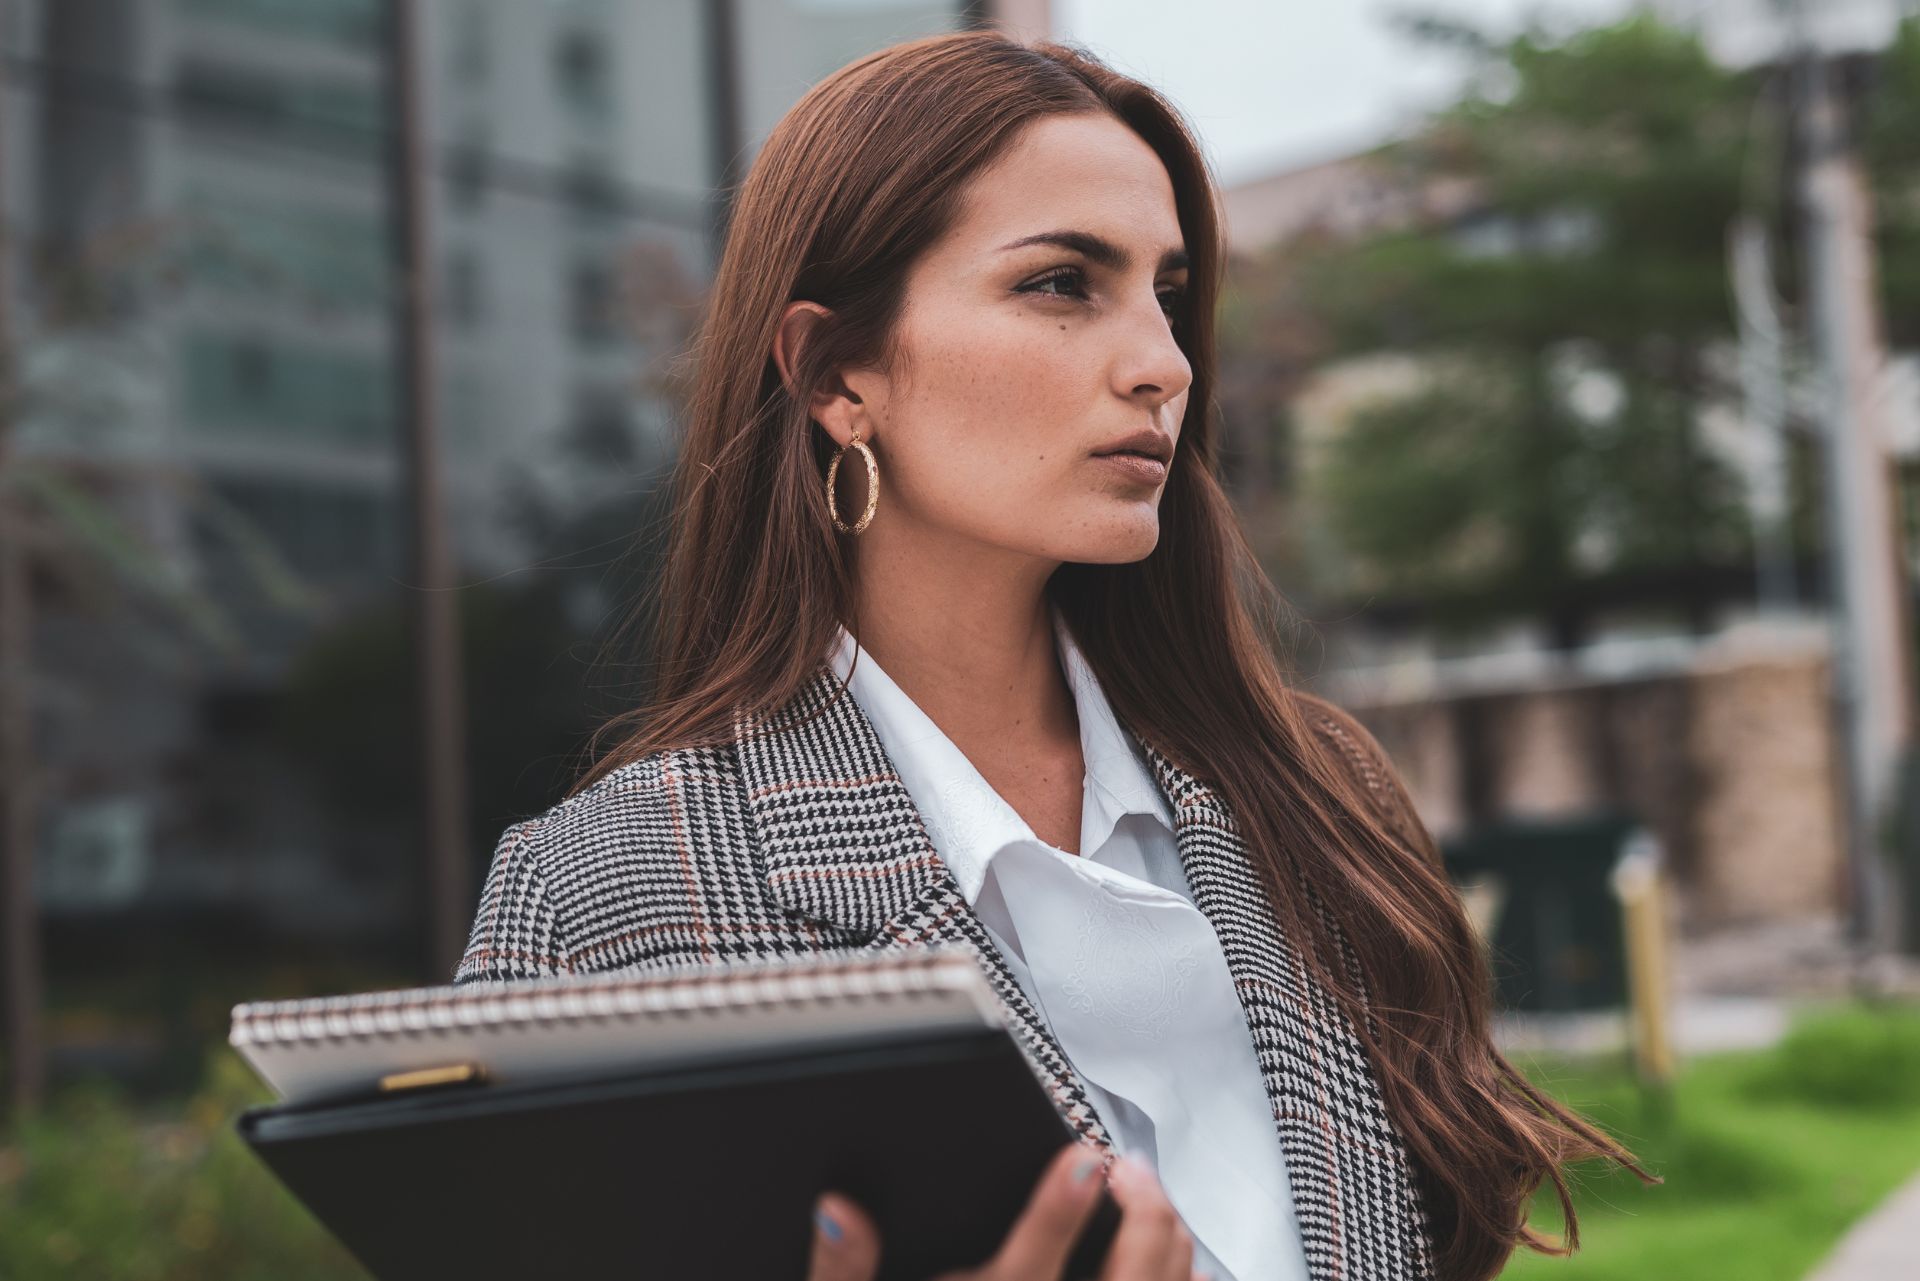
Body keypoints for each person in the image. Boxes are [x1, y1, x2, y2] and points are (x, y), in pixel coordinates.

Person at [452, 28, 1644, 1281]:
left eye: (1167, 297)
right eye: (1062, 284)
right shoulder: (608, 894)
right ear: (834, 372)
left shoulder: (1316, 794)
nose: (1164, 366)